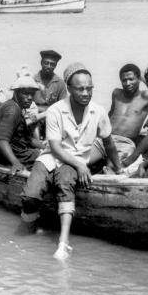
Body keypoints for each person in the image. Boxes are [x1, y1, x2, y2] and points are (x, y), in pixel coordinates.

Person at [20, 62, 123, 260]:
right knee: (30, 197)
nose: (86, 93)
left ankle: (63, 243)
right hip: (52, 157)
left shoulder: (98, 111)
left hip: (73, 160)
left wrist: (120, 170)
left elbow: (109, 143)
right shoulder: (56, 110)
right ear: (69, 89)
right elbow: (56, 148)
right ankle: (28, 231)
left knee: (65, 186)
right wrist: (81, 165)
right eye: (80, 89)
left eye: (89, 88)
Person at [90, 63, 148, 168]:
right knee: (81, 161)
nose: (127, 83)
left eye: (131, 79)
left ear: (138, 78)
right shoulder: (116, 93)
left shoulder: (147, 96)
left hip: (124, 143)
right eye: (124, 80)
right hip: (106, 139)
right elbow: (110, 114)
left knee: (111, 170)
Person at [0, 76, 45, 173]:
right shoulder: (12, 110)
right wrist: (15, 162)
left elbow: (27, 139)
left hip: (14, 150)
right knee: (47, 159)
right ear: (16, 93)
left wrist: (46, 147)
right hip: (0, 156)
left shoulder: (16, 107)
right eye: (25, 94)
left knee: (46, 152)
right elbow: (2, 140)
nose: (30, 98)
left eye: (32, 94)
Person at [33, 50, 68, 136]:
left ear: (55, 65)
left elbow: (64, 106)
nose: (48, 66)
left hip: (53, 120)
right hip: (34, 119)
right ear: (41, 63)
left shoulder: (60, 83)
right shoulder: (32, 80)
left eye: (52, 64)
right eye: (46, 63)